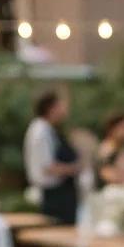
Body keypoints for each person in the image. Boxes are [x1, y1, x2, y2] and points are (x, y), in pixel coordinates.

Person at [24, 91, 81, 225]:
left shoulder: (49, 129)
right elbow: (48, 167)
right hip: (54, 196)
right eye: (61, 105)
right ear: (51, 108)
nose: (64, 110)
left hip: (60, 194)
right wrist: (74, 168)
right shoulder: (40, 131)